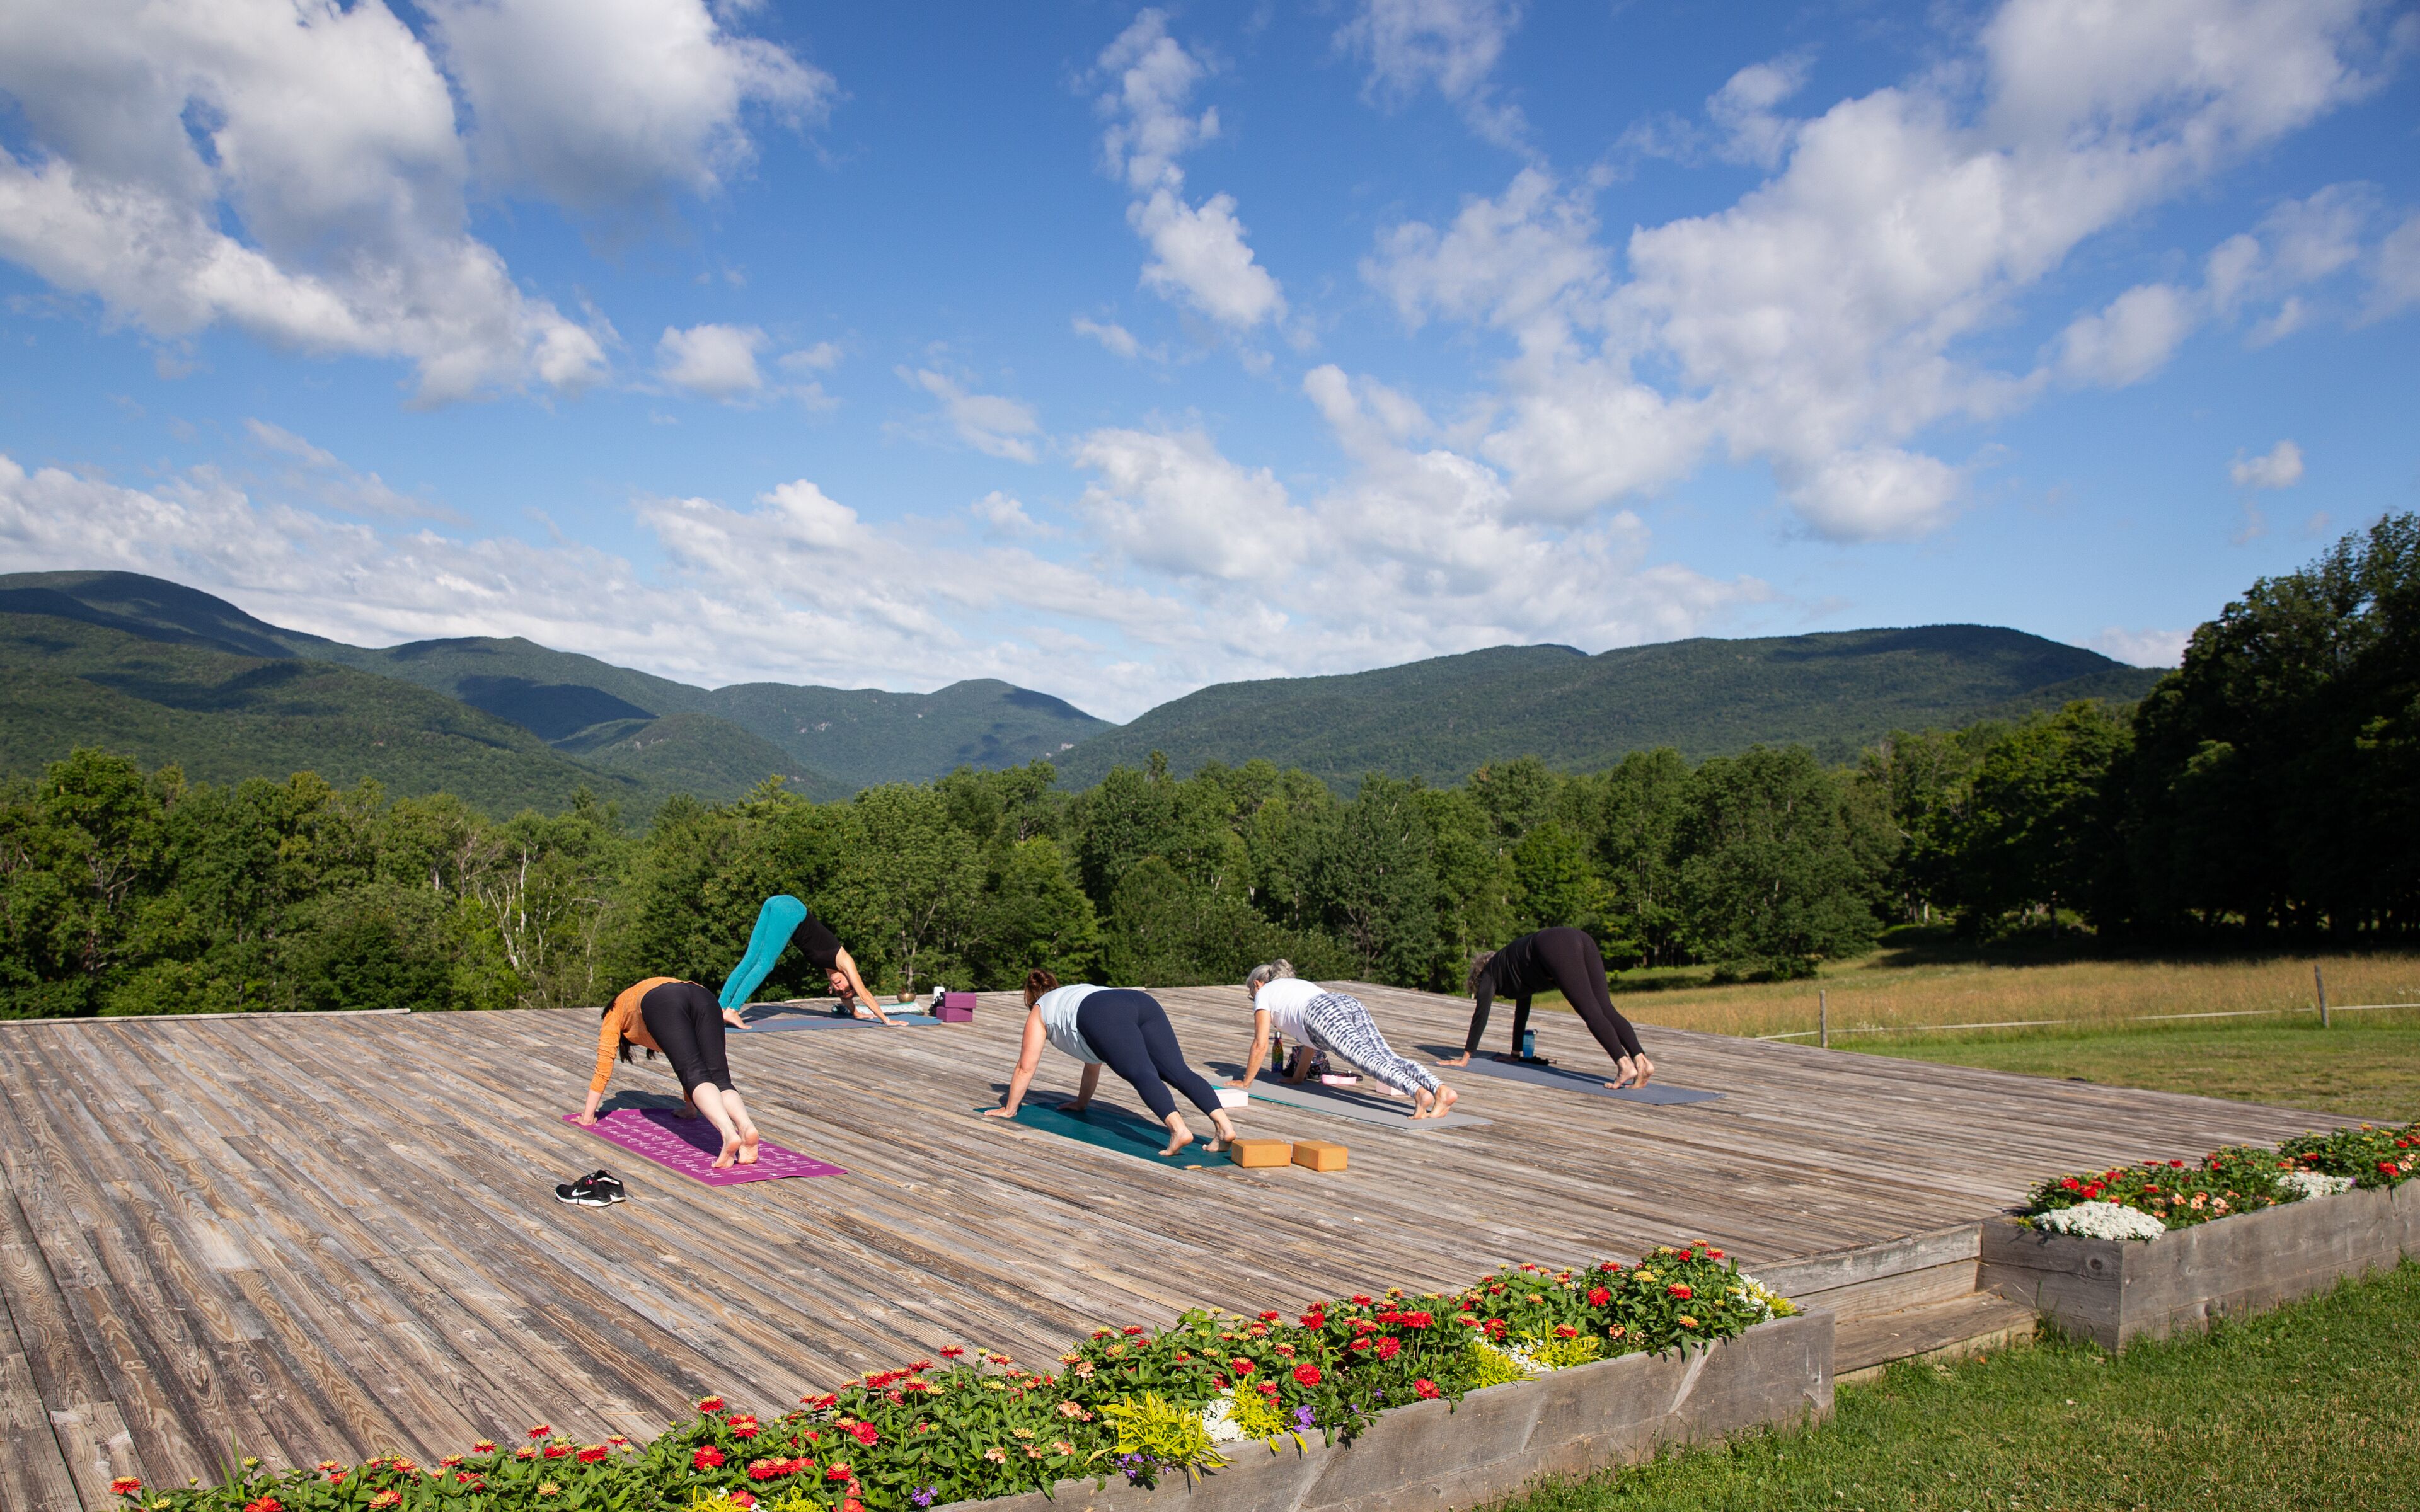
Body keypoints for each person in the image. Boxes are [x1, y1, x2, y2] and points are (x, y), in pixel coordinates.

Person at [984, 970, 1240, 1158]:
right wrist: (1082, 1103)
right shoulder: (1071, 993)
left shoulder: (1039, 1011)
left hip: (1101, 1011)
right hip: (1137, 1001)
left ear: (1031, 999)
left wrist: (1010, 1108)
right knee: (1178, 1070)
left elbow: (1026, 1067)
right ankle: (1225, 1128)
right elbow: (1092, 1062)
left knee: (1142, 1072)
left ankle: (1179, 1130)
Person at [1228, 961, 1458, 1119]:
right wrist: (1298, 1078)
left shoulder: (1265, 993)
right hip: (1345, 1002)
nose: (1253, 999)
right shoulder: (1293, 986)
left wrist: (1246, 1082)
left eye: (1251, 994)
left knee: (1368, 1060)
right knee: (1386, 1055)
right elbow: (1308, 1043)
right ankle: (1441, 1089)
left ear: (1257, 984)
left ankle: (1419, 1093)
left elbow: (1260, 1044)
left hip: (1320, 1013)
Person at [1438, 927, 1656, 1089]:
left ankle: (1624, 1064)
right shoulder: (1515, 966)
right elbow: (1522, 1011)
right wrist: (1516, 1053)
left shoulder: (1489, 973)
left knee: (1590, 1011)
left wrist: (1466, 1056)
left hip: (1555, 945)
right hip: (1579, 937)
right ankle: (1642, 1061)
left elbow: (1481, 1013)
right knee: (1605, 1008)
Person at [578, 976, 762, 1168]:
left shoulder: (615, 1010)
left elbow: (604, 1064)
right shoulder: (640, 991)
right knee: (720, 1077)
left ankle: (729, 1134)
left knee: (694, 1073)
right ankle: (746, 1127)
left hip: (662, 1001)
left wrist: (588, 1116)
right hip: (703, 995)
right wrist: (690, 1110)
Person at [717, 895, 901, 1026]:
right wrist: (886, 1020)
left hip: (776, 903)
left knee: (750, 961)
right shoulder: (845, 961)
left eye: (838, 991)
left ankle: (719, 1010)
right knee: (765, 964)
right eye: (846, 987)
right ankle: (733, 1010)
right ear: (849, 979)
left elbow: (847, 997)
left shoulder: (831, 970)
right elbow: (864, 994)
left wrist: (855, 1013)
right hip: (791, 910)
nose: (840, 987)